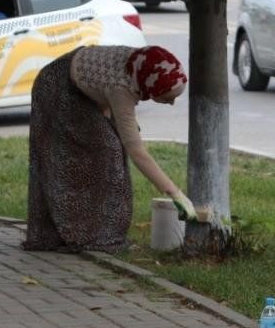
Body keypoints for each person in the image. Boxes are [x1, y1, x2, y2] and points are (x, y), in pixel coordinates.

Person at [23, 45, 196, 253]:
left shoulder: (141, 66)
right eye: (167, 97)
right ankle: (95, 236)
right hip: (55, 87)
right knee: (107, 155)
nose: (171, 104)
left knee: (109, 149)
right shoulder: (122, 87)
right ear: (150, 85)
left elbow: (101, 93)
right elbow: (136, 151)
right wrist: (175, 193)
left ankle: (87, 231)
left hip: (79, 86)